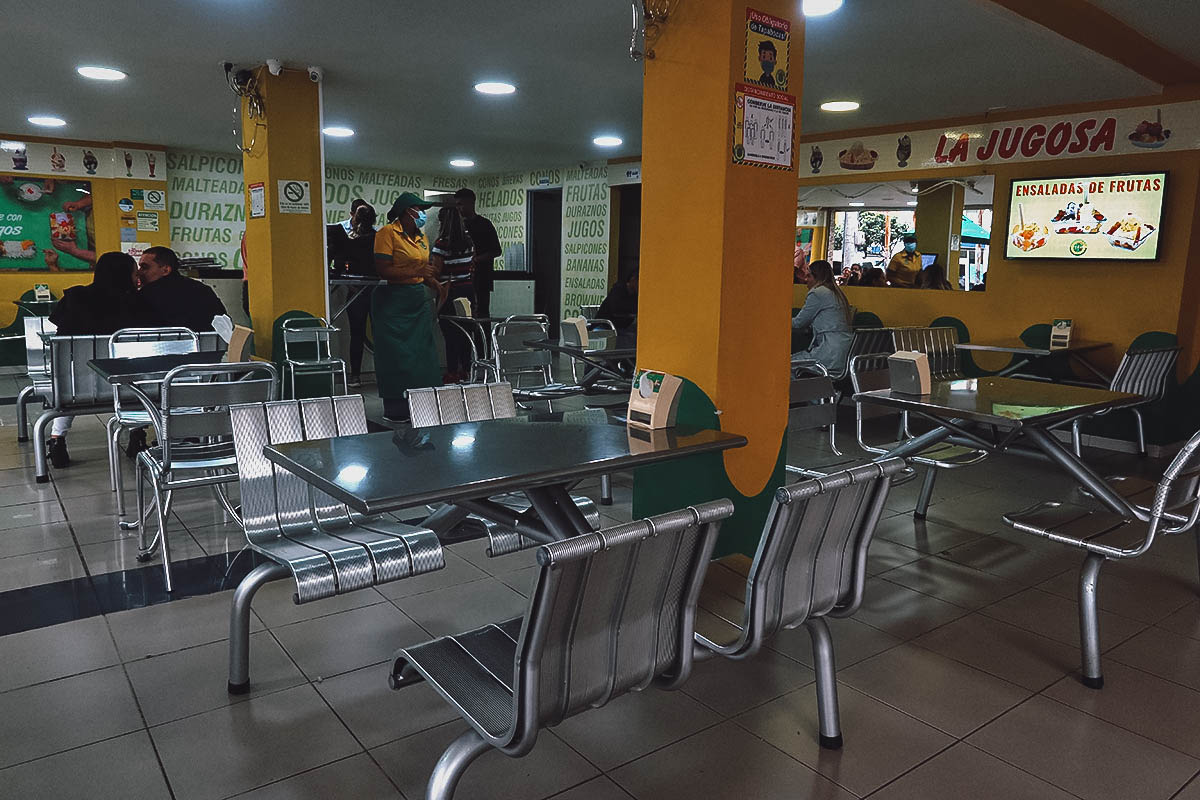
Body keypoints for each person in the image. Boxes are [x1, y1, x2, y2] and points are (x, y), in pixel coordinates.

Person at [45, 251, 139, 468]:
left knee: (69, 376)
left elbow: (60, 335)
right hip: (126, 386)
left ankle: (57, 439)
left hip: (78, 387)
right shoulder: (137, 302)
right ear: (125, 275)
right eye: (135, 273)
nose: (137, 278)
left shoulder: (75, 297)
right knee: (137, 376)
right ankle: (137, 435)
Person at [373, 192, 441, 421]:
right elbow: (383, 269)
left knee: (423, 356)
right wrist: (417, 272)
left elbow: (425, 269)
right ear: (405, 212)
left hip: (416, 301)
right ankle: (396, 409)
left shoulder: (422, 237)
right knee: (397, 357)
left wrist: (435, 283)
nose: (422, 214)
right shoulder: (387, 233)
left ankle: (423, 407)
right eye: (418, 209)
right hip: (392, 303)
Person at [327, 203, 378, 386]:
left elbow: (339, 263)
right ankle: (382, 373)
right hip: (374, 290)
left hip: (357, 290)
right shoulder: (378, 238)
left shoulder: (349, 241)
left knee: (357, 334)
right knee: (378, 334)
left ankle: (355, 376)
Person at [134, 246, 226, 331]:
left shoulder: (146, 295)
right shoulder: (203, 289)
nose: (139, 272)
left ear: (165, 270)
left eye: (144, 267)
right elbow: (224, 322)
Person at [431, 206, 475, 382]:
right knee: (465, 331)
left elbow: (436, 271)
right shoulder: (469, 241)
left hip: (448, 290)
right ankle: (466, 369)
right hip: (467, 290)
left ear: (443, 222)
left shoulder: (442, 244)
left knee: (450, 333)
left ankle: (452, 371)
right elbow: (472, 266)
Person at [791, 260, 852, 372]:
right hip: (843, 354)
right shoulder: (837, 293)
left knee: (787, 364)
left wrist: (779, 321)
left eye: (809, 276)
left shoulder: (818, 293)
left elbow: (799, 323)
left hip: (828, 354)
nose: (806, 280)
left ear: (817, 277)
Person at [455, 188, 502, 318]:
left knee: (481, 315)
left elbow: (496, 250)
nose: (458, 208)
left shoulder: (485, 225)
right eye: (457, 204)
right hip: (461, 279)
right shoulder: (457, 227)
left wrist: (475, 259)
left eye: (461, 204)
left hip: (481, 279)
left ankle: (484, 339)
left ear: (471, 203)